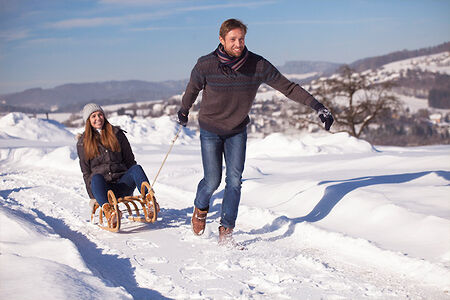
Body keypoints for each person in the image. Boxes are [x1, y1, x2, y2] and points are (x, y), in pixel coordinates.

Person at [177, 18, 334, 246]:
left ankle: (226, 230)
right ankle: (200, 208)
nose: (238, 44)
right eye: (233, 39)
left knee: (234, 181)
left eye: (241, 39)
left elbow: (288, 87)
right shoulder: (205, 65)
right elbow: (192, 89)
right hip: (211, 128)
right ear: (221, 40)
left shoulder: (257, 65)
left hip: (237, 130)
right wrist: (184, 110)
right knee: (212, 181)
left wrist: (318, 106)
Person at [77, 103, 151, 227]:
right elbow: (86, 173)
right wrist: (93, 196)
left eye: (100, 114)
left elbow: (130, 161)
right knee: (95, 177)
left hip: (123, 184)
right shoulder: (83, 143)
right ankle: (110, 212)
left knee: (136, 168)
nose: (98, 118)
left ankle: (149, 200)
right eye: (93, 116)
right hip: (103, 189)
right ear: (88, 121)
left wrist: (132, 178)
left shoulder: (117, 134)